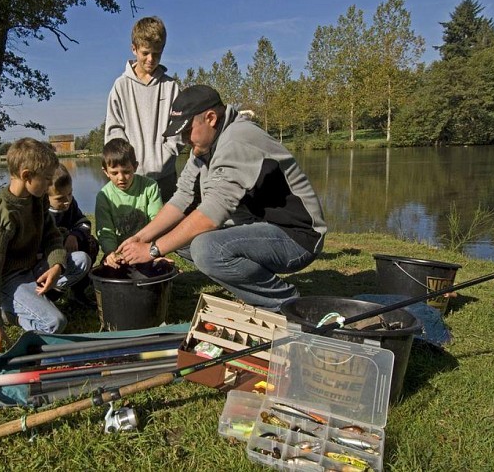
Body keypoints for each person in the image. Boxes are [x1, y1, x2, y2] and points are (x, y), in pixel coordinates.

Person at [117, 85, 327, 309]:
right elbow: (181, 199)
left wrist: (152, 251)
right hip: (257, 227)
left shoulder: (237, 140)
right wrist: (141, 238)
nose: (185, 139)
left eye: (187, 130)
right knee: (173, 236)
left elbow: (210, 216)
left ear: (210, 118)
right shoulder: (204, 147)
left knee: (205, 248)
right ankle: (251, 287)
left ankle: (287, 303)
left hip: (297, 236)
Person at [0, 138, 92, 354]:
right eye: (46, 179)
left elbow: (52, 236)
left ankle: (34, 302)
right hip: (7, 280)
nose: (49, 185)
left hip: (33, 269)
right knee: (55, 323)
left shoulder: (37, 200)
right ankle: (7, 313)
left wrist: (56, 266)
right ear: (26, 176)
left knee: (82, 260)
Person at [105, 16, 184, 203]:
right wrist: (127, 166)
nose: (151, 59)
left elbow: (179, 130)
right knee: (133, 229)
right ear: (134, 49)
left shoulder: (171, 87)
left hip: (165, 178)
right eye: (145, 53)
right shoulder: (120, 86)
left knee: (168, 229)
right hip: (131, 178)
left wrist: (163, 158)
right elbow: (114, 132)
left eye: (157, 54)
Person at [95, 138, 163, 268]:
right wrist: (110, 252)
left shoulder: (150, 186)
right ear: (105, 172)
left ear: (135, 167)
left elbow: (157, 222)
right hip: (119, 251)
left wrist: (151, 248)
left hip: (146, 247)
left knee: (157, 269)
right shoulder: (103, 197)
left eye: (126, 172)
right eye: (114, 173)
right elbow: (106, 231)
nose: (121, 178)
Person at [47, 163, 99, 305]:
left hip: (70, 249)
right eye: (60, 198)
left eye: (70, 194)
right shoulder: (42, 213)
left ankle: (78, 291)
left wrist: (74, 235)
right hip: (48, 256)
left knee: (91, 243)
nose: (67, 201)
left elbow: (84, 222)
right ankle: (51, 292)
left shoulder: (71, 204)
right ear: (45, 196)